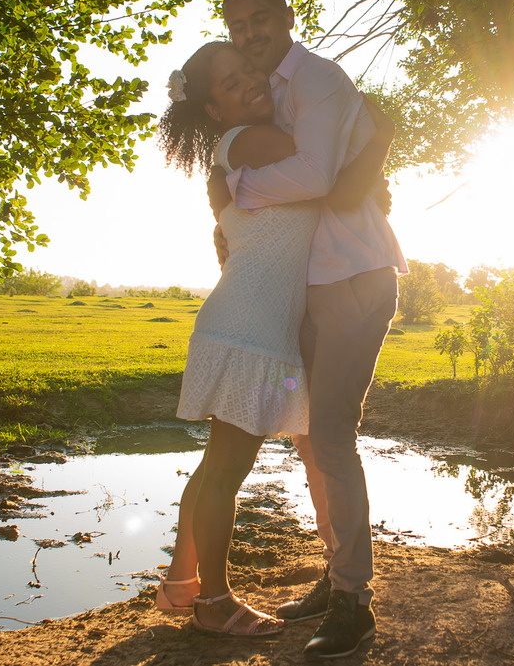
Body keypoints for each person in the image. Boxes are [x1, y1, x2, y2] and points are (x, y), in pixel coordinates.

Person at [152, 40, 395, 638]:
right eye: (231, 84)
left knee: (215, 468)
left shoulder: (232, 149)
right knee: (225, 473)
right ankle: (214, 604)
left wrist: (368, 182)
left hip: (247, 320)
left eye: (249, 72)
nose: (251, 83)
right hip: (251, 327)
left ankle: (183, 586)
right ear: (214, 108)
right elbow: (329, 172)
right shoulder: (253, 141)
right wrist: (377, 145)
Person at [207, 0, 406, 660]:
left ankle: (355, 603)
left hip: (352, 275)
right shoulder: (260, 97)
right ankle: (336, 574)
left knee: (332, 435)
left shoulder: (317, 78)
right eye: (238, 24)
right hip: (307, 286)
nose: (251, 31)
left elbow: (320, 179)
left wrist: (246, 191)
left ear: (288, 18)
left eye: (262, 17)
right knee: (311, 440)